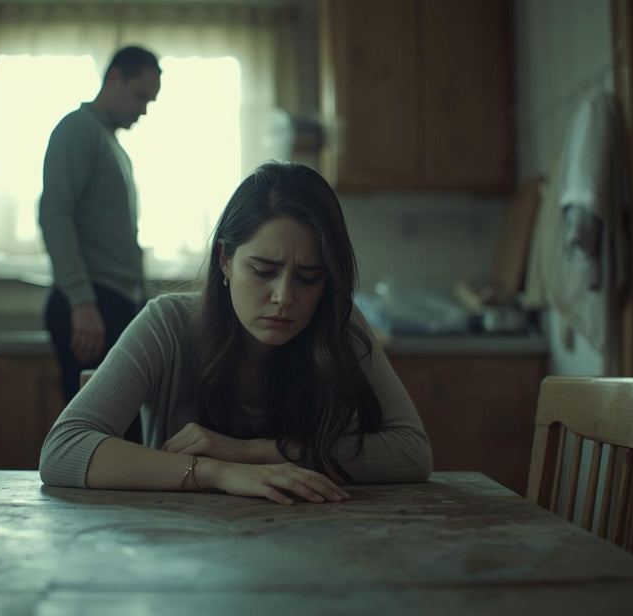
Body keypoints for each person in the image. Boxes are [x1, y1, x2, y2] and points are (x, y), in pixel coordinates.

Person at [40, 162, 433, 505]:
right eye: (263, 271)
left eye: (309, 278)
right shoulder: (168, 323)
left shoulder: (339, 323)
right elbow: (63, 450)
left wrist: (249, 452)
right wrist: (218, 472)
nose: (284, 297)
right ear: (225, 260)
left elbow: (411, 452)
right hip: (179, 551)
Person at [38, 46, 162, 440]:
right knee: (95, 438)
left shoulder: (112, 145)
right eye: (140, 96)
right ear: (113, 79)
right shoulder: (77, 128)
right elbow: (55, 214)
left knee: (121, 435)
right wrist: (82, 302)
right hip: (92, 305)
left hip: (111, 303)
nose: (143, 110)